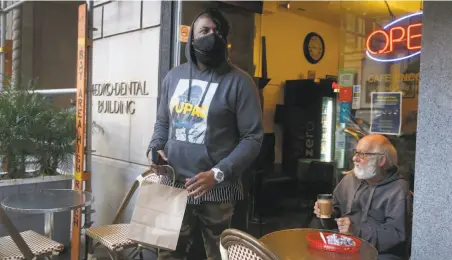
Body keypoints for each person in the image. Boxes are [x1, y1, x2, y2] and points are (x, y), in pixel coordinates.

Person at [146, 8, 263, 260]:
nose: (212, 35)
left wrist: (218, 173)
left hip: (218, 190)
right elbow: (163, 122)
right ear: (192, 37)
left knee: (218, 256)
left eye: (218, 32)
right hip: (173, 185)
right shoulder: (173, 77)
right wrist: (155, 146)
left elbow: (253, 138)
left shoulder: (240, 82)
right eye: (205, 30)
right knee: (167, 255)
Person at [313, 134, 412, 260]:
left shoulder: (397, 189)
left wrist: (356, 232)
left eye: (363, 154)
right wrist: (328, 214)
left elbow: (397, 235)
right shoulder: (350, 179)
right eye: (356, 152)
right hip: (344, 247)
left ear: (381, 161)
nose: (354, 158)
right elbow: (335, 218)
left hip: (379, 254)